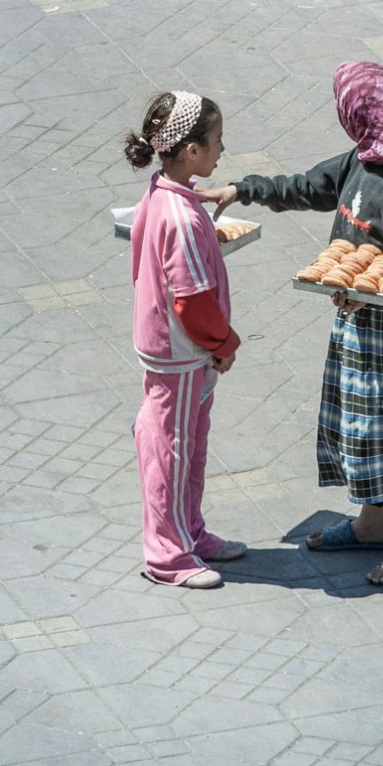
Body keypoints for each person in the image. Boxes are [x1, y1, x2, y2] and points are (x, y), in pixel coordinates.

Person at [198, 61, 383, 586]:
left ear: (360, 115)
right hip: (359, 323)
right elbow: (311, 187)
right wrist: (240, 190)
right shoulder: (362, 161)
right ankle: (371, 525)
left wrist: (367, 296)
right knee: (364, 432)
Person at [123, 90, 247, 589]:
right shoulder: (179, 217)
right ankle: (167, 556)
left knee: (188, 448)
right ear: (190, 150)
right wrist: (225, 343)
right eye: (216, 141)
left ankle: (188, 531)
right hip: (181, 353)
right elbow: (191, 302)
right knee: (169, 454)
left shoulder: (166, 196)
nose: (222, 149)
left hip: (178, 352)